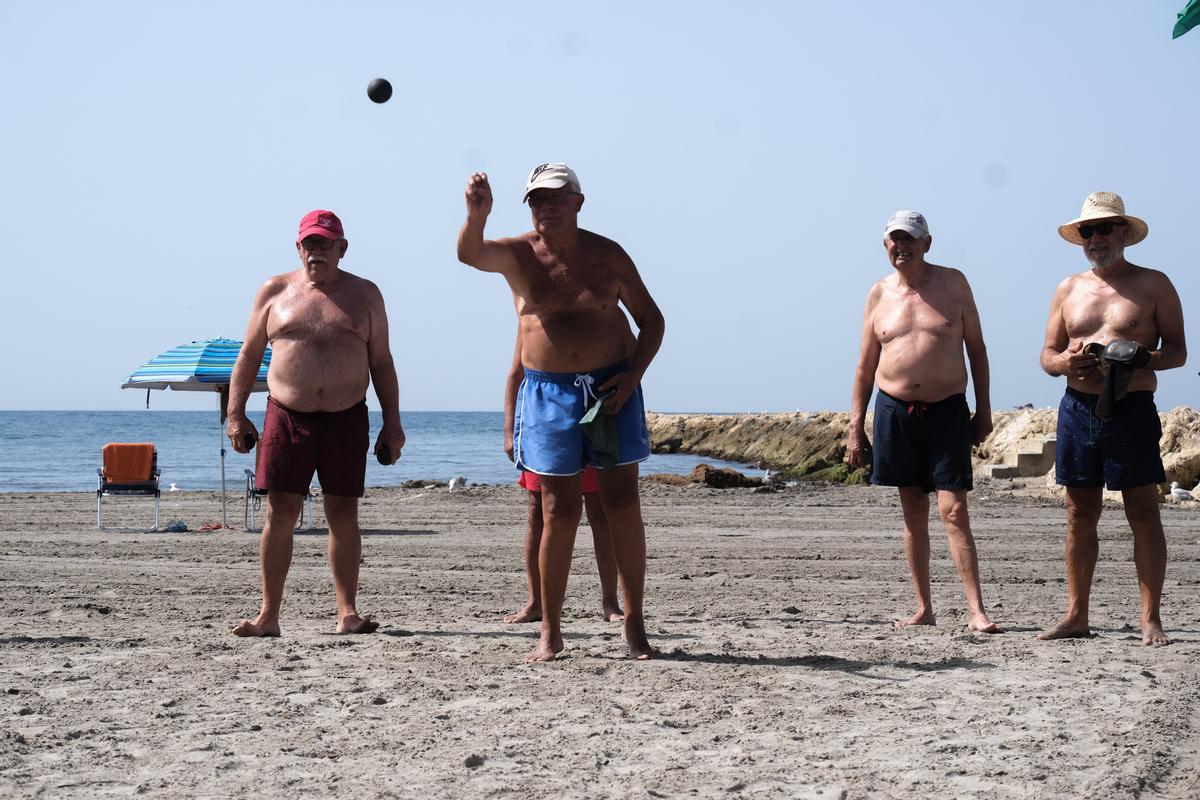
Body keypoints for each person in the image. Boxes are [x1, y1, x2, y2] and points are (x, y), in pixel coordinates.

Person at [457, 163, 665, 661]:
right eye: (535, 199)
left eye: (555, 196)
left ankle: (633, 621)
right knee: (557, 510)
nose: (545, 206)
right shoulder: (519, 254)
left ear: (578, 201)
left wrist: (632, 377)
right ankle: (550, 629)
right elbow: (469, 254)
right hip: (547, 395)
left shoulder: (608, 255)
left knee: (621, 505)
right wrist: (476, 216)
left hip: (609, 391)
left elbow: (652, 321)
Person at [226, 210, 406, 638]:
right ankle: (268, 615)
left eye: (326, 244)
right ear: (298, 247)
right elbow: (249, 356)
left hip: (348, 417)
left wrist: (393, 424)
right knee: (279, 511)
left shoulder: (365, 295)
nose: (317, 252)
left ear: (341, 249)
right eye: (310, 243)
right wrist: (235, 414)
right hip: (287, 415)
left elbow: (381, 361)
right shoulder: (274, 291)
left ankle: (348, 612)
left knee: (343, 511)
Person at [1038, 192, 1186, 647]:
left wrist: (1140, 358)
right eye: (1088, 230)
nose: (1096, 238)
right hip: (1077, 409)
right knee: (1080, 514)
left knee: (1143, 513)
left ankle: (1150, 619)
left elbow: (1178, 353)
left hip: (1132, 409)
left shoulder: (1155, 284)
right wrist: (1066, 364)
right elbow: (1046, 354)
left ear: (1124, 232)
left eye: (1104, 228)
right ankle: (1076, 615)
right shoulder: (1068, 288)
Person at [847, 210, 1001, 633]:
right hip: (895, 411)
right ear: (885, 245)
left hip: (947, 410)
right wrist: (855, 426)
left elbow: (978, 351)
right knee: (913, 513)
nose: (902, 246)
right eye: (895, 239)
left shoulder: (954, 284)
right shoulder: (878, 294)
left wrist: (983, 409)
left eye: (910, 239)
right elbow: (865, 365)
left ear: (927, 243)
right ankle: (923, 607)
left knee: (953, 510)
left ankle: (976, 610)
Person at [503, 327, 624, 625]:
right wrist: (509, 429)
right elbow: (516, 373)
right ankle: (535, 602)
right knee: (538, 513)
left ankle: (611, 602)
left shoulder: (598, 305)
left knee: (601, 512)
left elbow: (629, 355)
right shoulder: (533, 309)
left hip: (593, 415)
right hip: (544, 417)